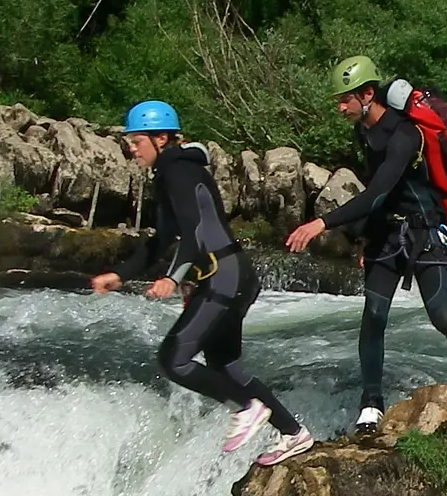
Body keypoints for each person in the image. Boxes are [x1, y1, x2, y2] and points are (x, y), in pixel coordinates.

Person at [286, 57, 447, 431]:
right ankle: (371, 402)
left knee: (443, 317)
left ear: (367, 94)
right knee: (374, 317)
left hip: (426, 233)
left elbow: (377, 192)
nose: (340, 107)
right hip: (386, 235)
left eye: (345, 99)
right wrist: (364, 236)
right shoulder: (364, 133)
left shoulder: (405, 135)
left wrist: (320, 223)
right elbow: (380, 196)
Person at [90, 101, 312, 465]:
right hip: (227, 276)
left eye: (135, 140)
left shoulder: (177, 171)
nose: (130, 147)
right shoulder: (171, 172)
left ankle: (246, 407)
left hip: (224, 276)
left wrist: (172, 278)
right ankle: (294, 433)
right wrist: (121, 275)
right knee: (227, 367)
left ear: (160, 138)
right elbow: (160, 240)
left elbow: (193, 233)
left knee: (172, 358)